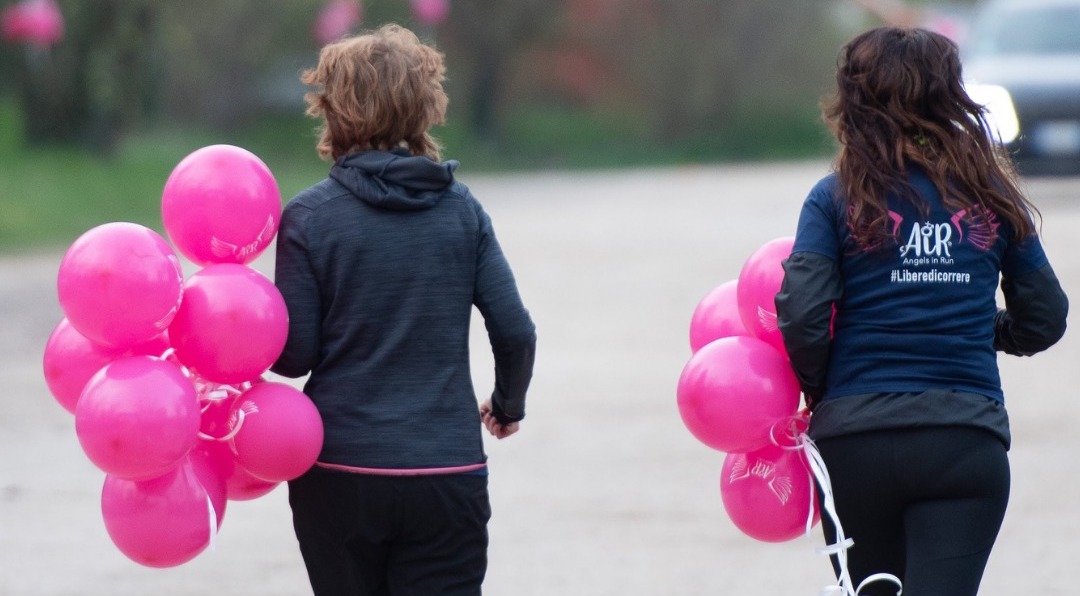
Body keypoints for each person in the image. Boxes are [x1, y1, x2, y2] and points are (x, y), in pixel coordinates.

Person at [775, 27, 1067, 596]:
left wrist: (823, 391)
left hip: (853, 446)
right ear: (948, 97)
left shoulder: (833, 196)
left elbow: (804, 316)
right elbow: (1046, 317)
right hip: (963, 446)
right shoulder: (990, 194)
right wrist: (981, 326)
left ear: (854, 101)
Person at [270, 24, 537, 596]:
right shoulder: (462, 211)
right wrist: (508, 403)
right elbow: (515, 331)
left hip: (338, 471)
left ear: (333, 109)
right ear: (423, 107)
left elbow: (295, 358)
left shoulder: (310, 218)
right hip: (446, 471)